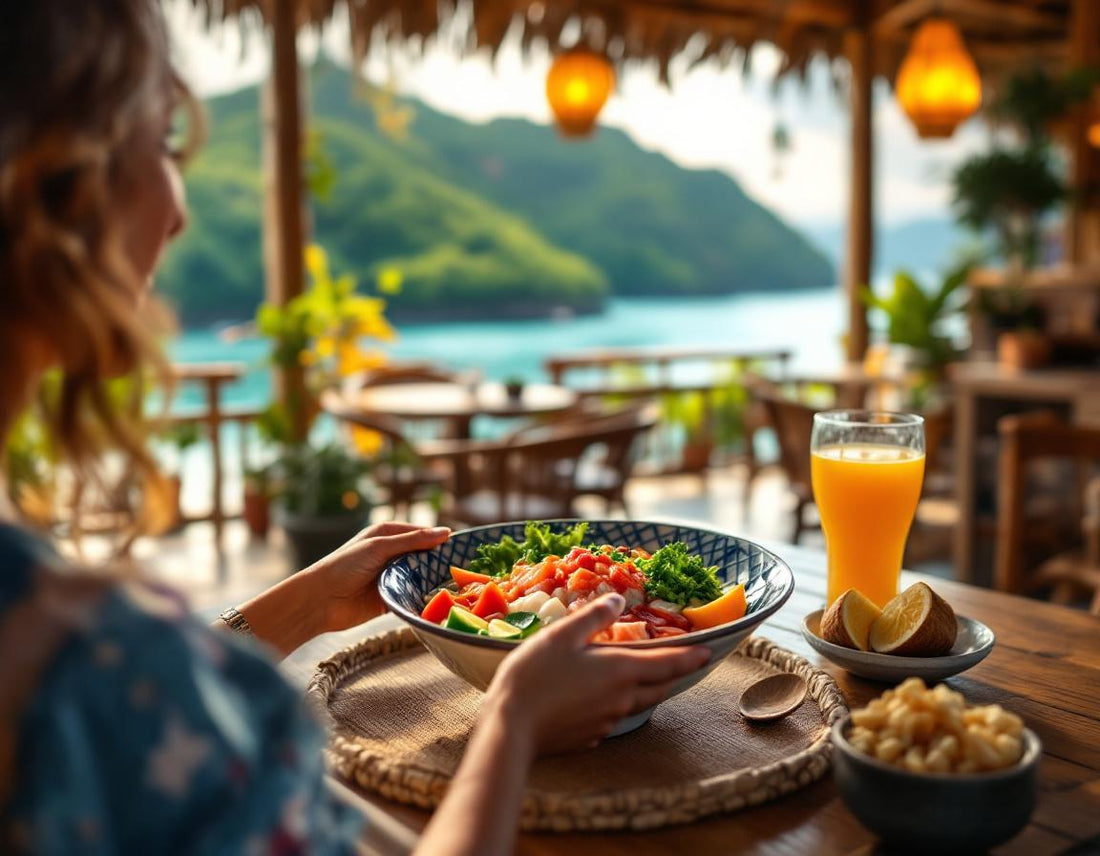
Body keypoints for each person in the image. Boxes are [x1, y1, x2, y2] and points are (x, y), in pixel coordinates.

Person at [0, 2, 709, 853]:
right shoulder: (106, 670)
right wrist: (514, 721)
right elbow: (133, 696)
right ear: (57, 186)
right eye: (165, 142)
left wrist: (296, 605)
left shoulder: (108, 669)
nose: (181, 211)